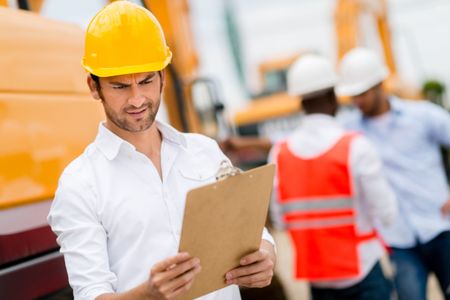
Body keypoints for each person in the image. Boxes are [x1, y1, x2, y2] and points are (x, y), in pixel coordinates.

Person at [47, 2, 276, 300]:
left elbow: (254, 230)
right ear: (94, 86)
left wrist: (266, 255)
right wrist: (148, 295)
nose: (137, 99)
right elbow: (91, 294)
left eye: (146, 81)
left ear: (163, 77)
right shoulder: (80, 184)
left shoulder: (204, 152)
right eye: (119, 87)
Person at [269, 53, 397, 300]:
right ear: (333, 97)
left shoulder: (279, 153)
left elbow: (281, 221)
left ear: (300, 102)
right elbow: (388, 214)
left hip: (317, 279)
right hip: (364, 273)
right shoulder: (356, 146)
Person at [336, 47, 450, 300]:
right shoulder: (349, 129)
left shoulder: (422, 115)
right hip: (399, 243)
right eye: (353, 96)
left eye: (362, 93)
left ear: (380, 84)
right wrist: (245, 145)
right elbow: (301, 139)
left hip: (442, 230)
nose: (358, 101)